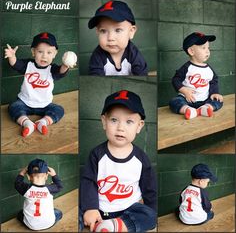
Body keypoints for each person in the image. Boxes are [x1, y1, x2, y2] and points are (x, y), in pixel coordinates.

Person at [80, 90, 157, 232]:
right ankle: (107, 225)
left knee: (150, 216)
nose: (121, 128)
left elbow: (150, 188)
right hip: (99, 210)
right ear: (104, 121)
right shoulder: (97, 154)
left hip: (129, 211)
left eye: (129, 122)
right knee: (80, 212)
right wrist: (90, 208)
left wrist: (151, 212)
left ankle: (116, 226)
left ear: (139, 126)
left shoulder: (141, 158)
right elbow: (88, 182)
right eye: (114, 120)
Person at [5, 32, 76, 137]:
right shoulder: (28, 65)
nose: (44, 56)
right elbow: (16, 64)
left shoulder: (52, 69)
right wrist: (12, 56)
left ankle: (42, 122)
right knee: (13, 106)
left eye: (49, 52)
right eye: (40, 52)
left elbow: (61, 72)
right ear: (33, 52)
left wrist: (66, 65)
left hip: (45, 105)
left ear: (55, 54)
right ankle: (27, 123)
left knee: (59, 110)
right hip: (24, 102)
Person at [169, 32, 223, 119]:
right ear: (191, 51)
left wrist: (214, 93)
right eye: (203, 48)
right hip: (187, 99)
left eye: (208, 48)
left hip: (205, 100)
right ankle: (187, 110)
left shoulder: (208, 69)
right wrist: (184, 91)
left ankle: (206, 108)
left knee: (219, 101)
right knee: (174, 102)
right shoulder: (187, 67)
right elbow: (176, 79)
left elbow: (214, 81)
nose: (207, 51)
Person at [88, 0, 148, 75]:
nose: (110, 38)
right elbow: (95, 75)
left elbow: (142, 73)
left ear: (131, 32)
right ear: (97, 32)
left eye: (118, 30)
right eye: (103, 31)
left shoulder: (134, 54)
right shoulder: (97, 56)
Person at [15, 158, 63, 230]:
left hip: (31, 226)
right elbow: (60, 186)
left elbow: (17, 184)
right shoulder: (50, 189)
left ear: (28, 177)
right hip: (49, 223)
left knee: (20, 214)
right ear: (46, 176)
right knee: (59, 212)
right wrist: (54, 175)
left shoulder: (26, 189)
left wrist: (22, 173)